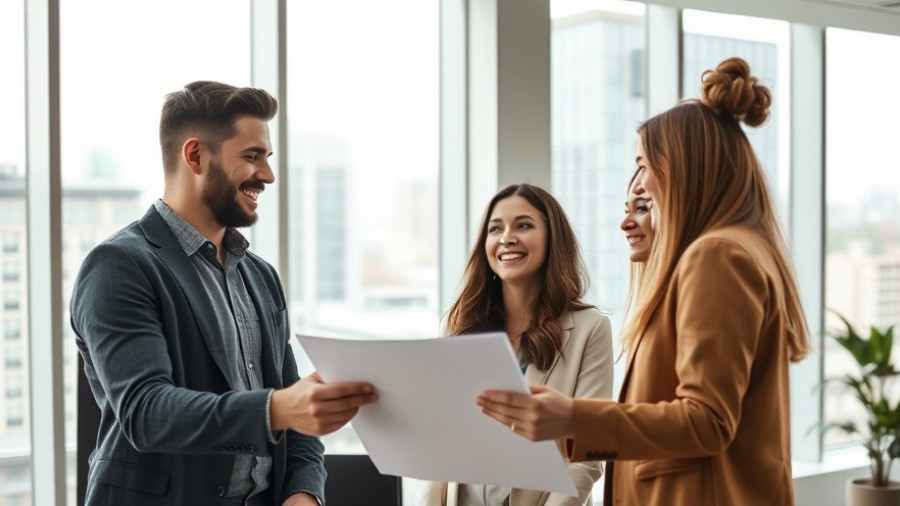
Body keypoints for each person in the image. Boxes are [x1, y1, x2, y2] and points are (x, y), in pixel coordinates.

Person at [477, 57, 811, 505]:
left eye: (642, 163)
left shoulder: (717, 255)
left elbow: (707, 420)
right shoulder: (742, 250)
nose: (637, 184)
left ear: (685, 167)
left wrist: (574, 418)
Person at [70, 81, 378, 506]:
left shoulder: (261, 277)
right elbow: (146, 413)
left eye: (267, 158)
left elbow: (298, 419)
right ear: (195, 155)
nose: (267, 175)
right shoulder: (119, 266)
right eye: (252, 157)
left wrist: (304, 493)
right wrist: (277, 409)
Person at [420, 183, 614, 506]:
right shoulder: (457, 328)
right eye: (495, 229)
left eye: (523, 225)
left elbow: (587, 455)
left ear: (552, 238)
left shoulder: (590, 329)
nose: (507, 237)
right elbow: (439, 440)